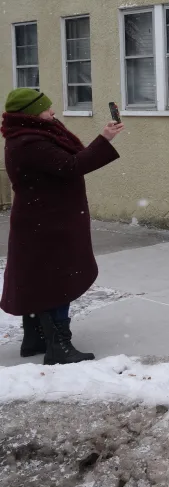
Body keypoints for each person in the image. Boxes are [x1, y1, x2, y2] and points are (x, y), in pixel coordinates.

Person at [1, 88, 123, 364]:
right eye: (46, 108)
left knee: (39, 280)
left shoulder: (33, 135)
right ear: (32, 113)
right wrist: (104, 139)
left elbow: (70, 161)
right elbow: (71, 165)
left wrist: (102, 138)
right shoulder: (30, 142)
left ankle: (36, 338)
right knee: (58, 281)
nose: (53, 112)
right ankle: (59, 346)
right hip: (48, 224)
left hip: (45, 220)